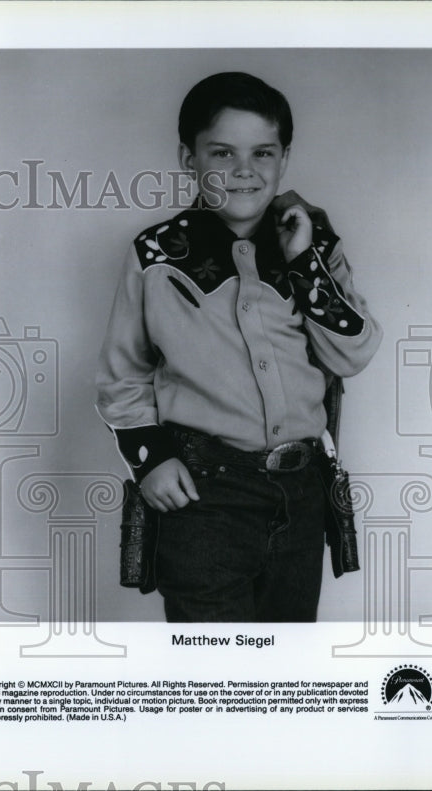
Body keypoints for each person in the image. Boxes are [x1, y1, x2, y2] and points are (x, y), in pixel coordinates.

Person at [96, 72, 381, 622]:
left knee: (285, 671)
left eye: (262, 152)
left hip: (301, 496)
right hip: (206, 498)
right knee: (217, 675)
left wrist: (302, 262)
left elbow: (353, 354)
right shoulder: (156, 255)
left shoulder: (315, 246)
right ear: (189, 157)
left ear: (284, 158)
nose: (244, 170)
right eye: (222, 152)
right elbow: (122, 372)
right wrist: (148, 457)